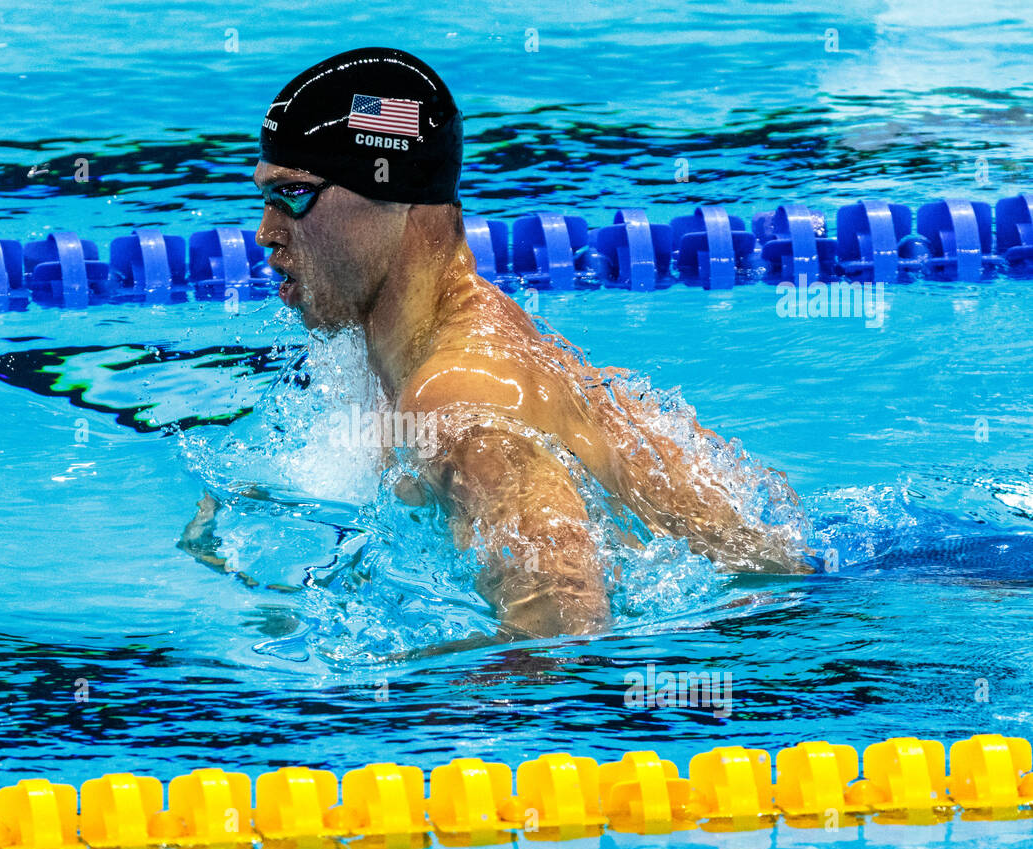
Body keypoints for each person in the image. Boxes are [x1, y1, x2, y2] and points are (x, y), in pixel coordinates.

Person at [246, 47, 815, 639]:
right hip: (779, 601)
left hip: (757, 642)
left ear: (393, 194)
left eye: (292, 194)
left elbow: (564, 625)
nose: (266, 232)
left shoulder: (457, 397)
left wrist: (395, 699)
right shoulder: (417, 345)